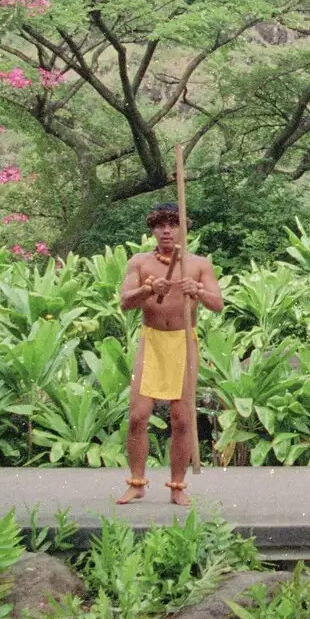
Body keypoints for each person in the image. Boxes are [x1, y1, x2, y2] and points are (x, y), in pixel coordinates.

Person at [116, 202, 223, 506]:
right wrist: (149, 290)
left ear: (182, 229)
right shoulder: (140, 262)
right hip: (152, 341)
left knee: (182, 418)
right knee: (138, 416)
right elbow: (125, 303)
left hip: (183, 342)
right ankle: (136, 483)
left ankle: (178, 485)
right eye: (161, 225)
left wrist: (197, 290)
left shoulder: (199, 264)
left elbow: (217, 303)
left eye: (173, 224)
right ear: (152, 228)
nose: (166, 230)